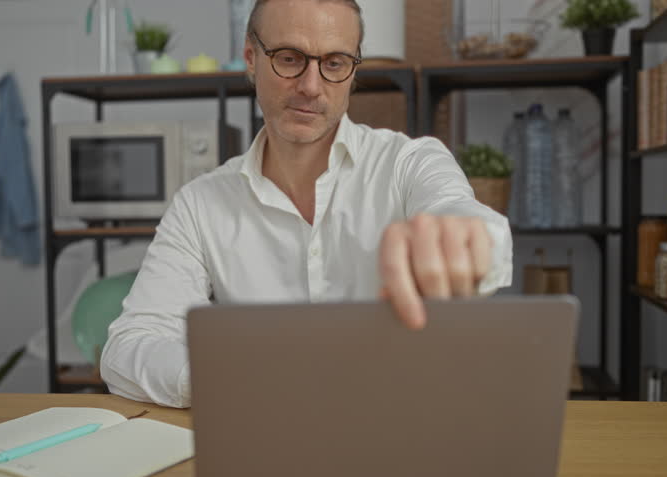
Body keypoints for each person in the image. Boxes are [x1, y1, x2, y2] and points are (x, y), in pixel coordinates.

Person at [100, 0, 513, 408]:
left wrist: (464, 238)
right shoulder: (200, 204)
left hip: (402, 430)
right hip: (265, 437)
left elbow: (462, 214)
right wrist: (233, 374)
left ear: (353, 71)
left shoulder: (410, 163)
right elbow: (129, 347)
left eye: (334, 63)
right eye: (289, 58)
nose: (311, 86)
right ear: (250, 57)